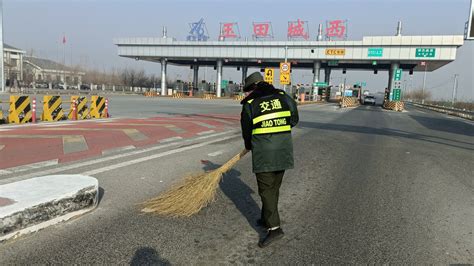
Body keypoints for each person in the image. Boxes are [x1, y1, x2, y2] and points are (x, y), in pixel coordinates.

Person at [240, 72, 299, 248]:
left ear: (252, 89)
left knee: (266, 191)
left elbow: (246, 131)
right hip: (283, 150)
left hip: (264, 153)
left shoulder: (250, 104)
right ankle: (267, 217)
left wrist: (250, 145)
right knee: (274, 187)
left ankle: (274, 229)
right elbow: (294, 119)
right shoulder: (283, 97)